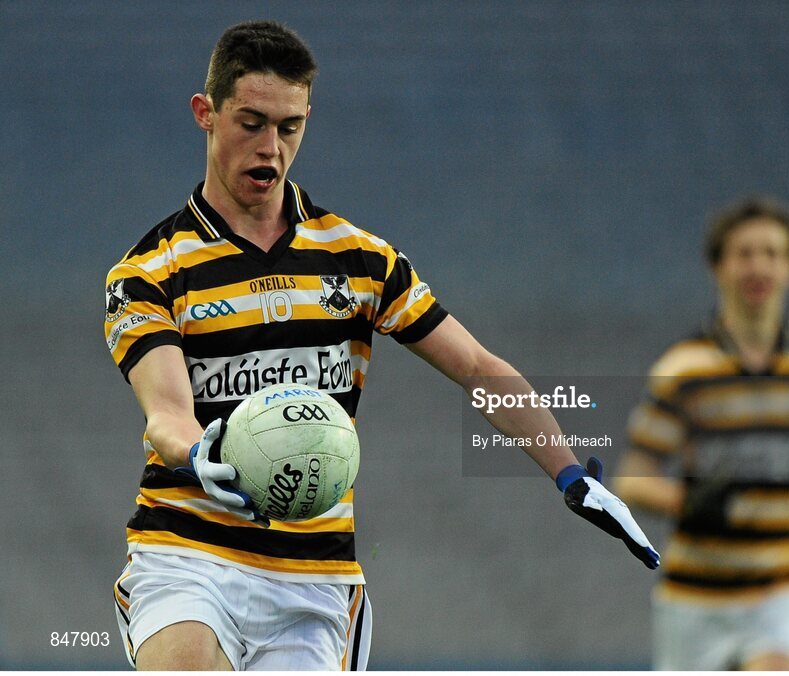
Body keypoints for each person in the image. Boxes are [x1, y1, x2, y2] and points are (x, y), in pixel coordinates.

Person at [104, 21, 658, 671]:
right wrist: (200, 453)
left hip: (312, 581)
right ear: (205, 113)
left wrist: (568, 473)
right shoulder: (148, 272)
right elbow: (167, 413)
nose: (271, 149)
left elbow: (478, 368)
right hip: (186, 556)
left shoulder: (360, 260)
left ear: (308, 118)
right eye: (250, 123)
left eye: (289, 127)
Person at [614, 196, 789, 671]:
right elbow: (632, 479)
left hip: (787, 583)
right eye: (744, 253)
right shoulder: (684, 369)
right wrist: (686, 503)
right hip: (697, 592)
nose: (758, 266)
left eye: (772, 253)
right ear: (717, 267)